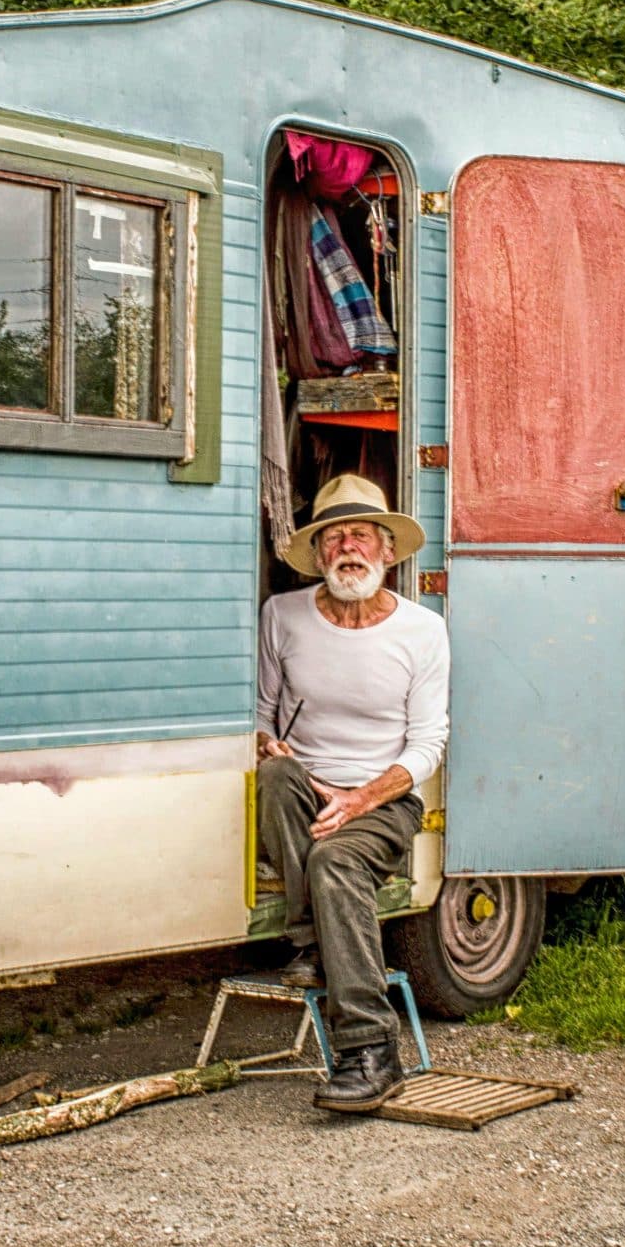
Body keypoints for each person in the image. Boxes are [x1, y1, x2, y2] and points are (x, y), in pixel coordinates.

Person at [255, 473, 451, 1113]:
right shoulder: (280, 615)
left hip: (385, 802)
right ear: (317, 556)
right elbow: (260, 712)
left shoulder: (423, 630)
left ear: (386, 551)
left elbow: (428, 744)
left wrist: (363, 799)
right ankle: (313, 944)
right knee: (276, 779)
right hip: (304, 791)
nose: (348, 548)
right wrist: (268, 744)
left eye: (361, 535)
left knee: (335, 859)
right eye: (333, 536)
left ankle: (371, 1051)